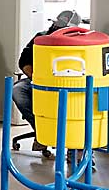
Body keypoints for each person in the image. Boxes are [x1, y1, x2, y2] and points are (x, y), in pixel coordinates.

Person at [13, 10, 81, 151]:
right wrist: (34, 76)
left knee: (76, 105)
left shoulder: (80, 43)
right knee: (18, 90)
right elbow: (24, 60)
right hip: (38, 82)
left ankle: (75, 147)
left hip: (69, 85)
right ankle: (41, 131)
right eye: (58, 26)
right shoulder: (41, 37)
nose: (58, 29)